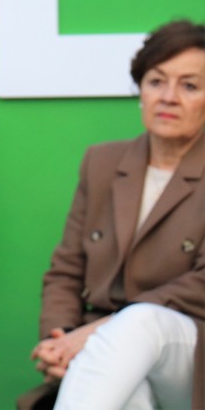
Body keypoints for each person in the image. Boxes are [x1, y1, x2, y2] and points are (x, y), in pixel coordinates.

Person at [27, 20, 205, 410]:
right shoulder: (103, 162)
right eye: (156, 81)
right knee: (127, 390)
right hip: (109, 353)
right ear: (140, 89)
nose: (169, 97)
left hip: (190, 353)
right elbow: (66, 270)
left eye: (190, 86)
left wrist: (93, 334)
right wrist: (62, 339)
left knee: (140, 323)